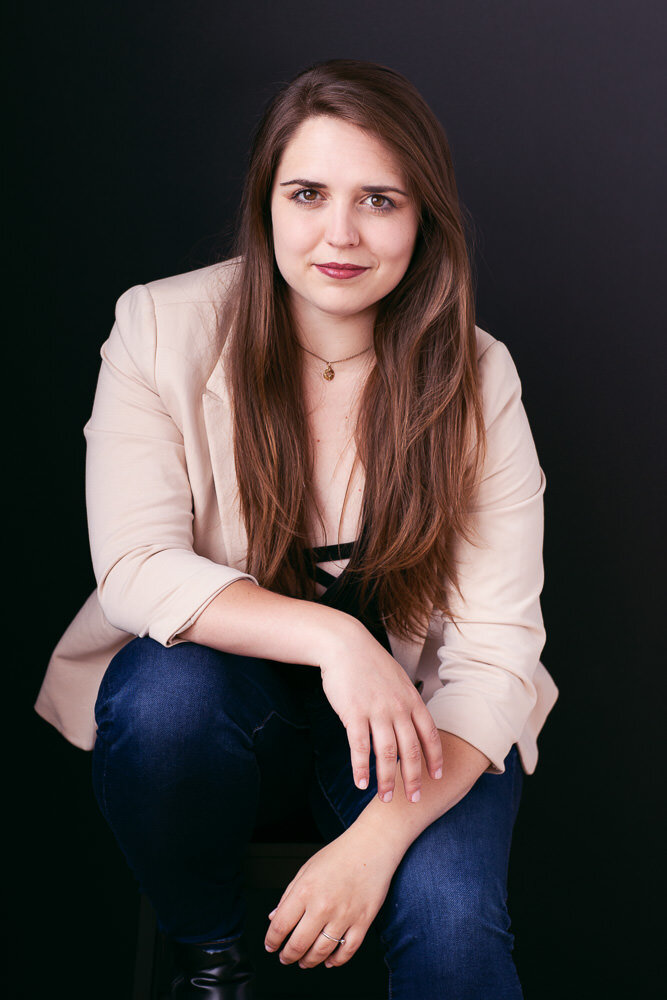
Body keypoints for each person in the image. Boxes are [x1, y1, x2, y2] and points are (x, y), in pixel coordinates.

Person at [34, 58, 559, 998]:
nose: (339, 234)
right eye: (307, 193)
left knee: (454, 935)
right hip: (221, 724)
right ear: (266, 201)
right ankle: (209, 958)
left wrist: (375, 842)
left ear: (422, 218)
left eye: (380, 200)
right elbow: (136, 568)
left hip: (420, 730)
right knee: (164, 697)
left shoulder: (479, 376)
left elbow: (494, 655)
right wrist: (334, 636)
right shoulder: (159, 326)